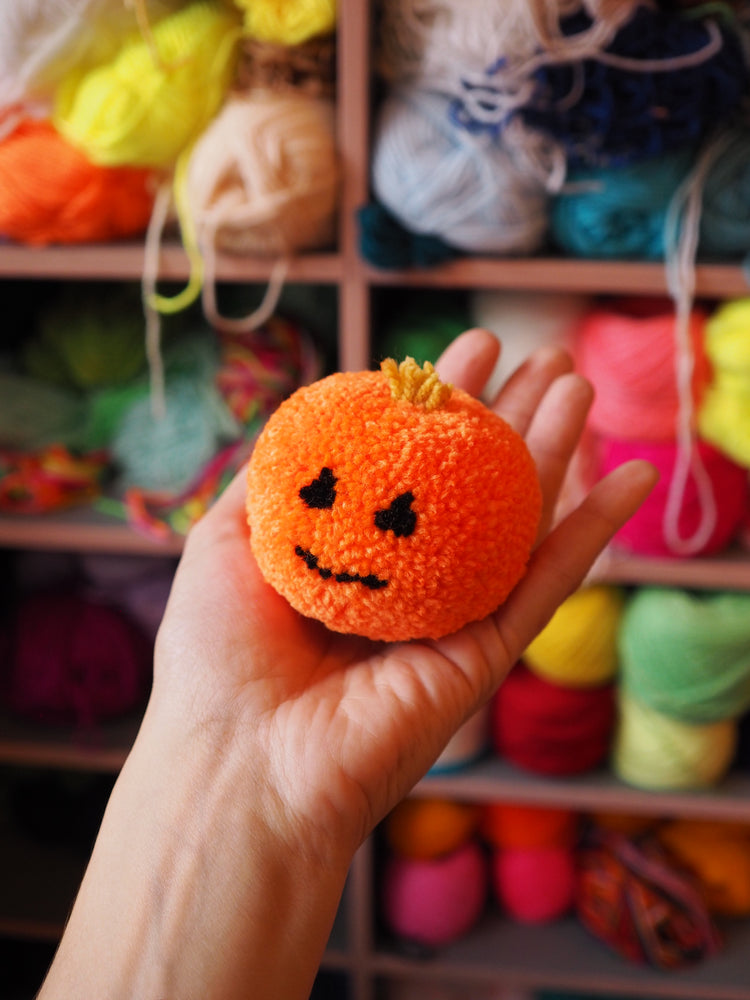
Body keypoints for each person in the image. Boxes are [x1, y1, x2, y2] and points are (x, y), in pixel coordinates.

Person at [36, 328, 657, 1000]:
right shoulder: (315, 430)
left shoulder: (483, 467)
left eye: (396, 519)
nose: (352, 539)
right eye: (321, 493)